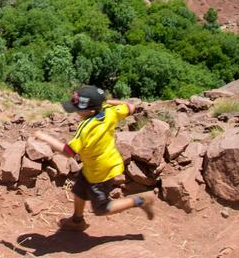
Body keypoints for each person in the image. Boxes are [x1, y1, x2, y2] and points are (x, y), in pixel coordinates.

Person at [35, 85, 156, 232]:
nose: (75, 110)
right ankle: (77, 220)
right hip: (99, 164)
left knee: (101, 209)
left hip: (100, 172)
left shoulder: (86, 127)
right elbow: (131, 106)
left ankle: (140, 201)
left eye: (78, 107)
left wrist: (45, 137)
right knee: (79, 190)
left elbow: (68, 152)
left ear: (91, 111)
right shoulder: (110, 111)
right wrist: (108, 102)